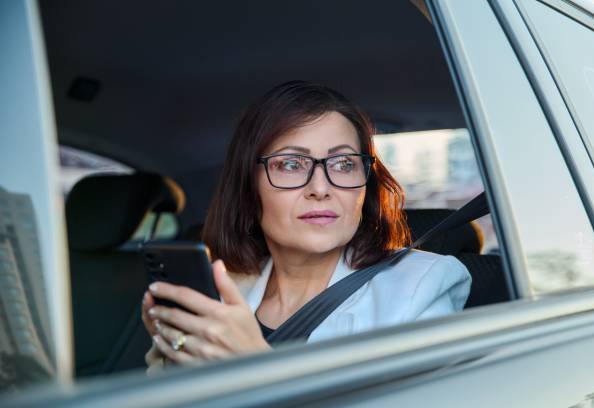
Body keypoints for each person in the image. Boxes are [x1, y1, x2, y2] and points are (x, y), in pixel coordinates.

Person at [142, 80, 471, 370]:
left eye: (343, 164)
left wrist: (256, 370)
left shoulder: (423, 286)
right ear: (248, 187)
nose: (321, 188)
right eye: (290, 164)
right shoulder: (223, 291)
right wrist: (170, 367)